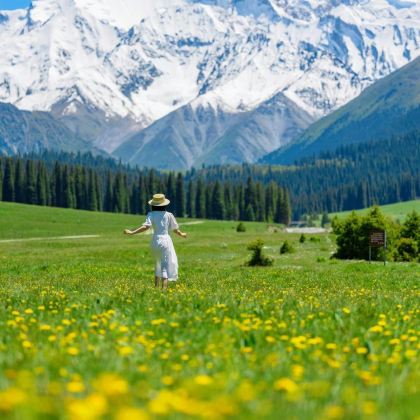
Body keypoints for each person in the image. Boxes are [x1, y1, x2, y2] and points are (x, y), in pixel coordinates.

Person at [124, 194, 187, 289]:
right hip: (166, 241)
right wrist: (182, 234)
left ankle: (156, 287)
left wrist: (133, 232)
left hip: (155, 240)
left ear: (153, 205)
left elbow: (146, 226)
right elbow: (175, 229)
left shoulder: (151, 214)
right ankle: (164, 290)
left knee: (157, 264)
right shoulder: (169, 215)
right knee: (165, 266)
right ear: (165, 204)